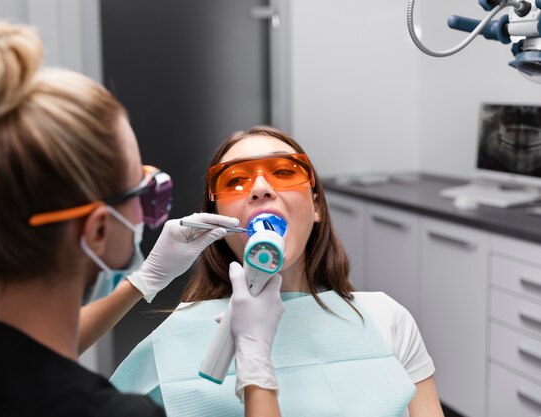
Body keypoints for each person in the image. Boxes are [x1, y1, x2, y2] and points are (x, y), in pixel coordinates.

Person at [0, 22, 283, 417]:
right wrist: (257, 369)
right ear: (99, 230)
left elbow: (21, 362)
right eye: (145, 195)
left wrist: (141, 282)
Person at [110, 126, 446, 417]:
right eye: (236, 181)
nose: (260, 188)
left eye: (284, 172)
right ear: (218, 218)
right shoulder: (173, 339)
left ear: (316, 206)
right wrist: (143, 281)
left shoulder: (386, 319)